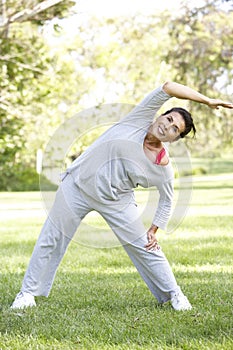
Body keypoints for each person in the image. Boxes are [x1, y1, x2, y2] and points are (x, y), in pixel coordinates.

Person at [11, 81, 233, 311]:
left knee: (147, 247)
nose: (168, 127)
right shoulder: (138, 119)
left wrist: (154, 229)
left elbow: (167, 200)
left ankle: (174, 295)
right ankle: (27, 293)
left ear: (175, 140)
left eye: (175, 129)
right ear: (160, 116)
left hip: (116, 200)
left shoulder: (162, 167)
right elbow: (167, 87)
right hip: (76, 186)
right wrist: (207, 101)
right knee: (51, 238)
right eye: (169, 119)